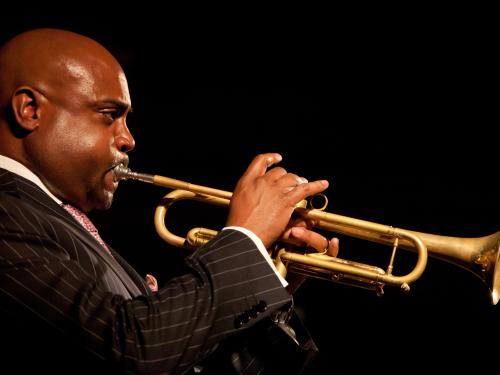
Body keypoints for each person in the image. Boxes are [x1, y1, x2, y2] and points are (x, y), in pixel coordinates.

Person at [0, 28, 338, 374]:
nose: (128, 139)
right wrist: (244, 240)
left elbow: (177, 362)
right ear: (30, 110)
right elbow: (133, 350)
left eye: (126, 120)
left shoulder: (60, 223)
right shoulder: (6, 213)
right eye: (108, 115)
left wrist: (262, 271)